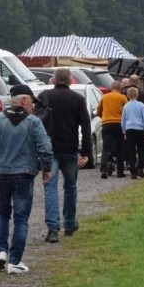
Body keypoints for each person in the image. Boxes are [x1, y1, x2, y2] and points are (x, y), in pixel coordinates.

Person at [0, 85, 52, 274]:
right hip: (24, 174)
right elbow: (45, 147)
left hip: (0, 173)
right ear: (24, 100)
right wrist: (46, 167)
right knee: (21, 219)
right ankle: (15, 260)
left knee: (2, 214)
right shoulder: (33, 122)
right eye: (32, 101)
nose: (33, 105)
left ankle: (1, 251)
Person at [38, 68, 92, 243]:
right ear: (70, 81)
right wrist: (85, 152)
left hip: (49, 148)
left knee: (50, 187)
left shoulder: (45, 96)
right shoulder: (78, 99)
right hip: (69, 148)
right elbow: (85, 126)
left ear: (53, 80)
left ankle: (53, 229)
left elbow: (37, 122)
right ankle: (69, 224)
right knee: (70, 187)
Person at [96, 80, 128, 178]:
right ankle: (120, 171)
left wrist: (103, 117)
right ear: (120, 89)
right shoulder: (123, 97)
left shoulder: (104, 97)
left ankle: (103, 170)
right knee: (120, 148)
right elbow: (127, 111)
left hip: (106, 125)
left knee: (106, 148)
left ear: (112, 88)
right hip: (118, 124)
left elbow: (98, 110)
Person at [128, 73, 144, 176]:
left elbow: (123, 117)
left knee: (130, 148)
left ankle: (132, 167)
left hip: (129, 128)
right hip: (140, 127)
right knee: (142, 147)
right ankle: (141, 166)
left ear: (129, 82)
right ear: (139, 82)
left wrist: (123, 129)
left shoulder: (124, 93)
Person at [122, 86, 144, 180]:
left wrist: (124, 131)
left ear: (127, 96)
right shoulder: (141, 105)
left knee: (131, 150)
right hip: (139, 129)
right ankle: (140, 169)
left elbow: (123, 120)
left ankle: (133, 172)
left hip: (129, 129)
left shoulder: (126, 106)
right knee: (141, 149)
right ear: (137, 95)